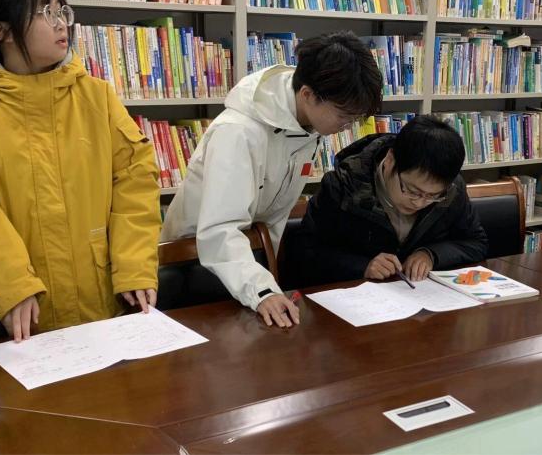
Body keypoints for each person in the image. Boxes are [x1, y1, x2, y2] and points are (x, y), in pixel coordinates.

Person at [0, 0, 161, 342]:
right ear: (2, 31)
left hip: (107, 305)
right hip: (24, 319)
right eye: (45, 13)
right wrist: (12, 283)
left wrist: (135, 265)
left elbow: (135, 180)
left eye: (61, 11)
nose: (61, 24)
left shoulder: (96, 96)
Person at [160, 31, 384, 328]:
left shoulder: (306, 125)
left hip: (246, 263)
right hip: (192, 264)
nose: (347, 126)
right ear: (308, 95)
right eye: (344, 116)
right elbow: (219, 229)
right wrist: (262, 290)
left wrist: (268, 281)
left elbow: (274, 215)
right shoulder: (238, 132)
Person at [300, 115, 487, 285]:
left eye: (433, 196)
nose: (419, 203)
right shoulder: (342, 186)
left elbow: (475, 242)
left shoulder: (452, 190)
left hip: (420, 298)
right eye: (412, 191)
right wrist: (363, 266)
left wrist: (431, 254)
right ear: (390, 160)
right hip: (357, 299)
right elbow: (306, 252)